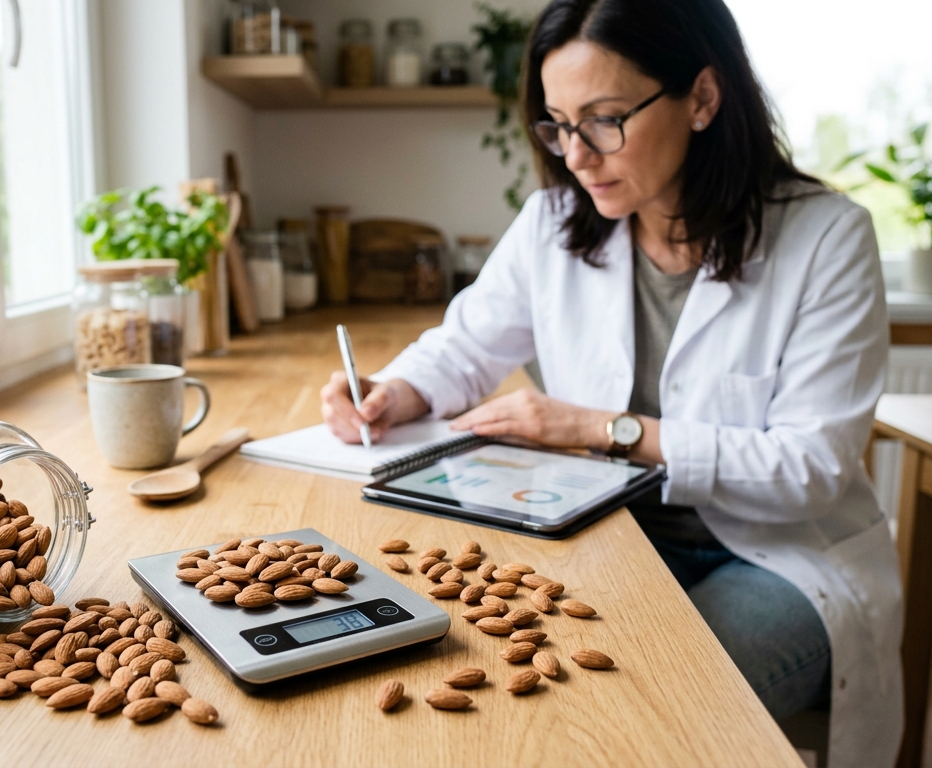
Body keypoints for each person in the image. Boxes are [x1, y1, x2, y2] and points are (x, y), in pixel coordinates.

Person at [319, 1, 902, 765]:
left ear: (702, 97)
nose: (576, 155)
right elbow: (464, 347)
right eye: (557, 124)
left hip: (776, 555)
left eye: (603, 120)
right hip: (605, 535)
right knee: (522, 696)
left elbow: (815, 469)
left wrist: (603, 429)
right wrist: (394, 392)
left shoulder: (827, 237)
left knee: (654, 716)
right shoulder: (553, 222)